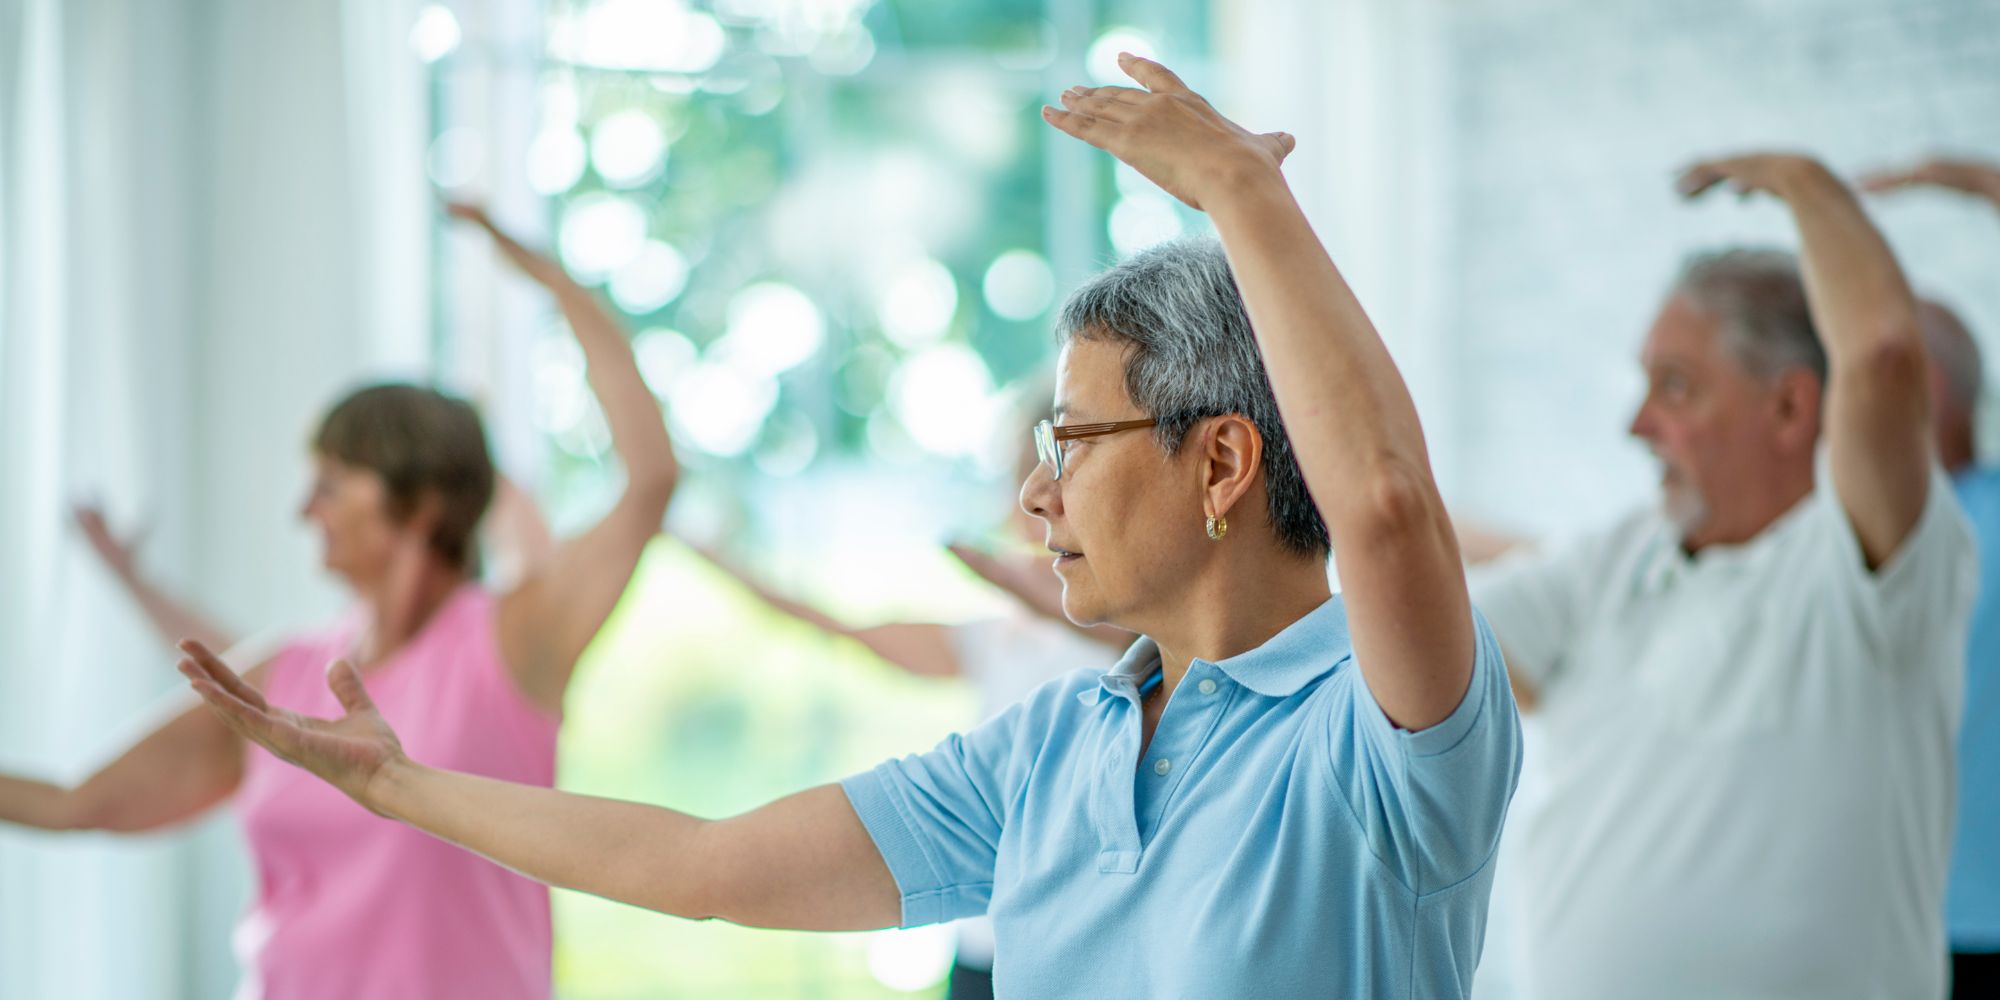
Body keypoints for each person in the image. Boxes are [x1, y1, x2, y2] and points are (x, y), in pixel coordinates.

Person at [177, 55, 1522, 999]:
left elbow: (1390, 509)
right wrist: (395, 785)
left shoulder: (1385, 737)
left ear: (1222, 461)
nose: (1038, 491)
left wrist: (1243, 195)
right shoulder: (1053, 748)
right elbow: (700, 864)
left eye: (1073, 441)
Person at [0, 204, 676, 1000]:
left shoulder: (512, 638)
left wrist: (551, 280)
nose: (303, 512)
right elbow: (77, 801)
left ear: (418, 503)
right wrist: (131, 578)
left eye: (328, 484)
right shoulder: (291, 669)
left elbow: (651, 478)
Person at [1468, 155, 1976, 999]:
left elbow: (1884, 355)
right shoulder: (1617, 557)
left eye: (1677, 387)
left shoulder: (1870, 569)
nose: (1637, 423)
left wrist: (1809, 187)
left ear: (1789, 408)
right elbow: (1423, 642)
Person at [689, 417, 1128, 998]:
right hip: (984, 948)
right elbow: (840, 625)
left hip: (1083, 955)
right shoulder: (990, 638)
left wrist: (1008, 579)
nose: (1030, 498)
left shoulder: (1130, 634)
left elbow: (1097, 626)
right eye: (1021, 475)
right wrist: (723, 563)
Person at [1862, 155, 2000, 1000]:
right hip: (1877, 938)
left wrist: (1950, 176)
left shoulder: (1972, 519)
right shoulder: (1829, 541)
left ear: (1925, 389)